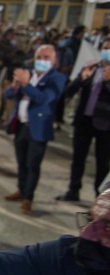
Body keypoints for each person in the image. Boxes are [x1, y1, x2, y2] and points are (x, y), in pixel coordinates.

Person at [3, 44, 66, 214]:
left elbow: (44, 99)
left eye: (47, 58)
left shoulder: (57, 78)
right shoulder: (28, 73)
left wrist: (26, 84)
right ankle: (21, 190)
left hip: (38, 128)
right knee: (21, 162)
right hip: (21, 125)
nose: (42, 61)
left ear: (54, 61)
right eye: (39, 57)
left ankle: (28, 197)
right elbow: (8, 95)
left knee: (33, 164)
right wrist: (16, 85)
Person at [55, 41, 110, 202]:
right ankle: (73, 191)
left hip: (105, 124)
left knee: (102, 162)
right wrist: (81, 79)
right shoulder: (91, 67)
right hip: (83, 120)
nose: (107, 51)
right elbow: (69, 91)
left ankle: (99, 197)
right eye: (105, 48)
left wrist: (107, 82)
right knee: (78, 158)